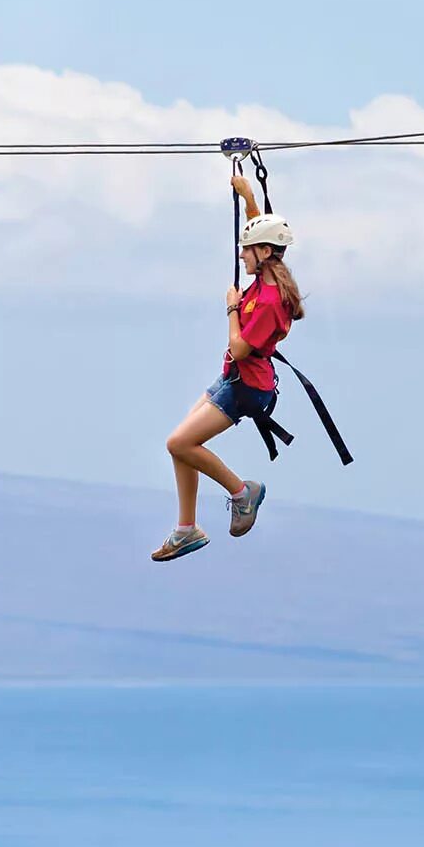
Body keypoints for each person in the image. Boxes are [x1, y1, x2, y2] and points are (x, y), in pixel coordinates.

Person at [152, 169, 303, 561]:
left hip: (247, 386)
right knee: (182, 442)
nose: (242, 254)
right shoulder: (269, 272)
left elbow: (238, 348)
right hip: (233, 379)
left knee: (179, 442)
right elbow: (261, 233)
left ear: (264, 253)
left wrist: (232, 309)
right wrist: (248, 194)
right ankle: (186, 528)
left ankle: (242, 492)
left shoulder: (269, 300)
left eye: (247, 249)